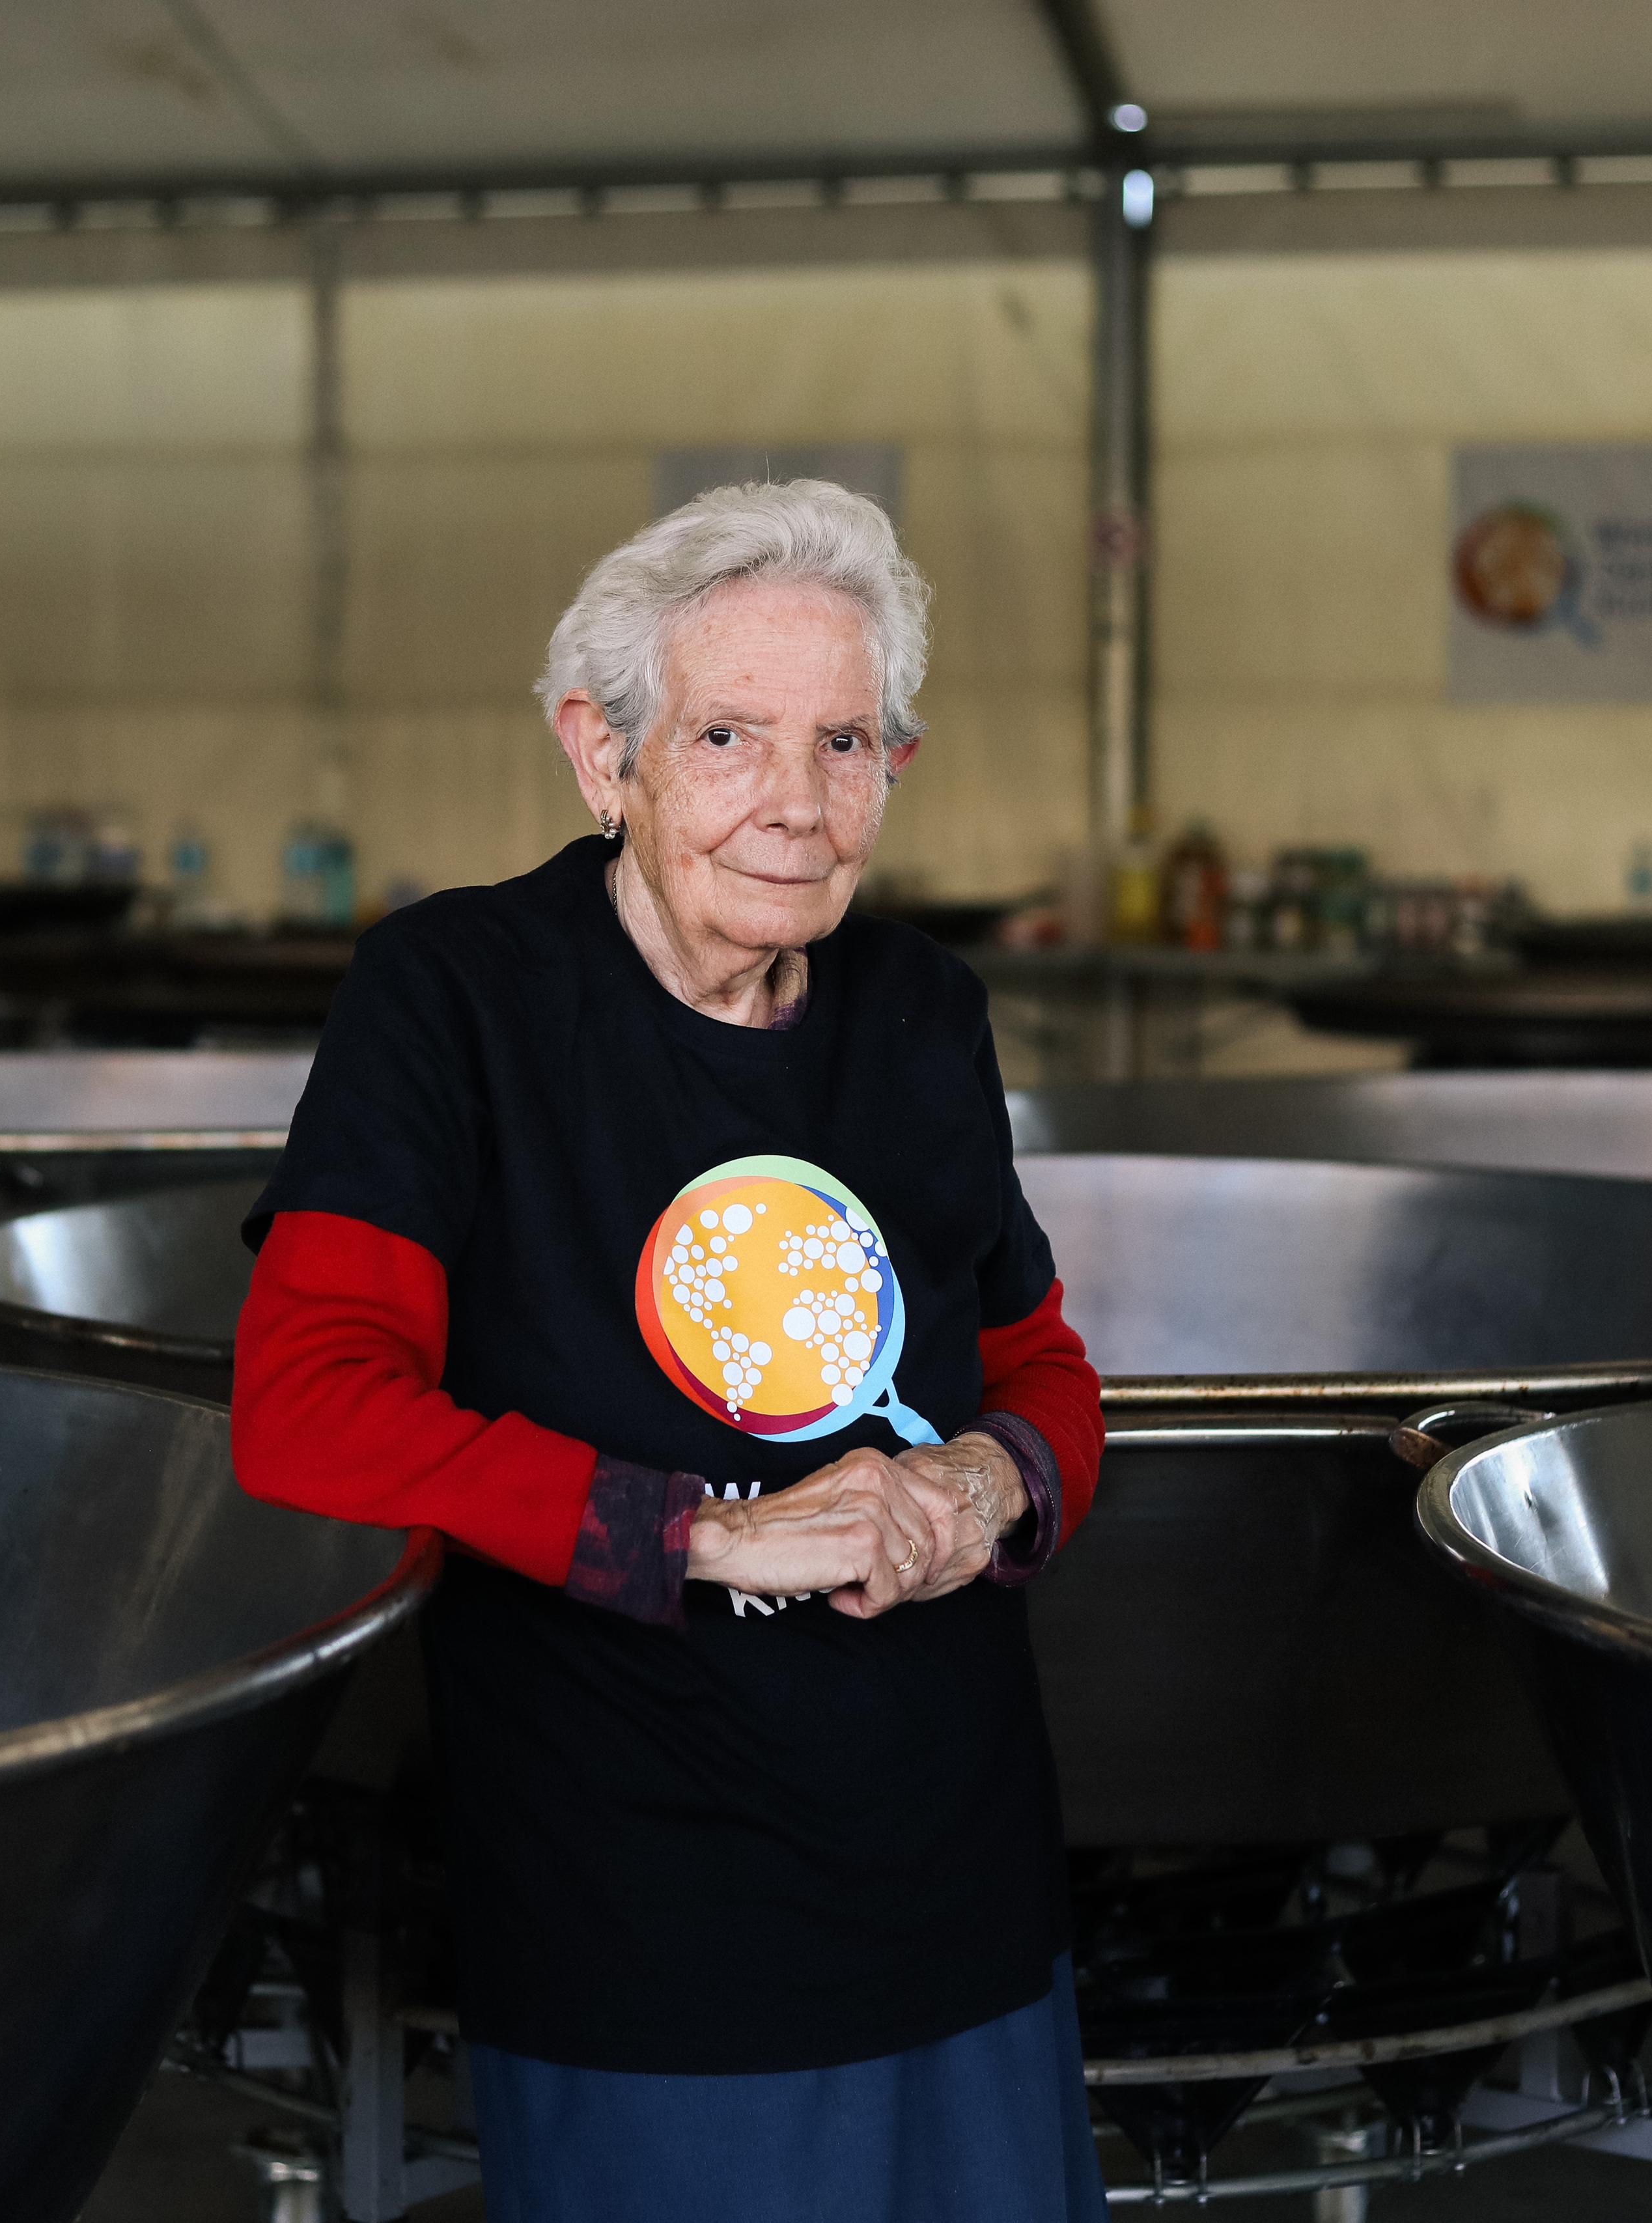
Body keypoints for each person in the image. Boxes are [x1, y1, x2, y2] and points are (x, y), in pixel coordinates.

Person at [231, 481, 1109, 2221]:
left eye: (846, 740)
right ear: (602, 752)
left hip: (960, 1882)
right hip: (640, 1897)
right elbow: (304, 1405)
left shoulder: (923, 1012)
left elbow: (1050, 1377)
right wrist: (695, 1528)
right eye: (729, 735)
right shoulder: (456, 998)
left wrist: (982, 1475)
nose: (796, 802)